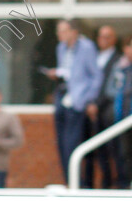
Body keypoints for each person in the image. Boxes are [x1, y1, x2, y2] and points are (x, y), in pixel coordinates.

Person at [44, 19, 101, 185]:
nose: (59, 34)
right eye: (58, 31)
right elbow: (67, 71)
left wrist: (89, 99)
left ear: (74, 32)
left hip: (77, 100)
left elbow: (96, 76)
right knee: (61, 143)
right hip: (62, 95)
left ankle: (79, 183)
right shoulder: (60, 48)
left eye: (63, 31)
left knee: (72, 143)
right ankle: (69, 181)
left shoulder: (86, 47)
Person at [85, 25, 125, 188]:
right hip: (94, 112)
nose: (103, 40)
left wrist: (97, 104)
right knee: (99, 151)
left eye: (107, 37)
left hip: (109, 111)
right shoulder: (94, 57)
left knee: (116, 150)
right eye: (101, 36)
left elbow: (111, 87)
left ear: (114, 39)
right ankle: (105, 182)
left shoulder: (118, 59)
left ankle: (121, 183)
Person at [113, 35, 132, 188]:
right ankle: (124, 185)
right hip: (122, 117)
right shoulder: (121, 68)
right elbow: (116, 91)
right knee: (123, 154)